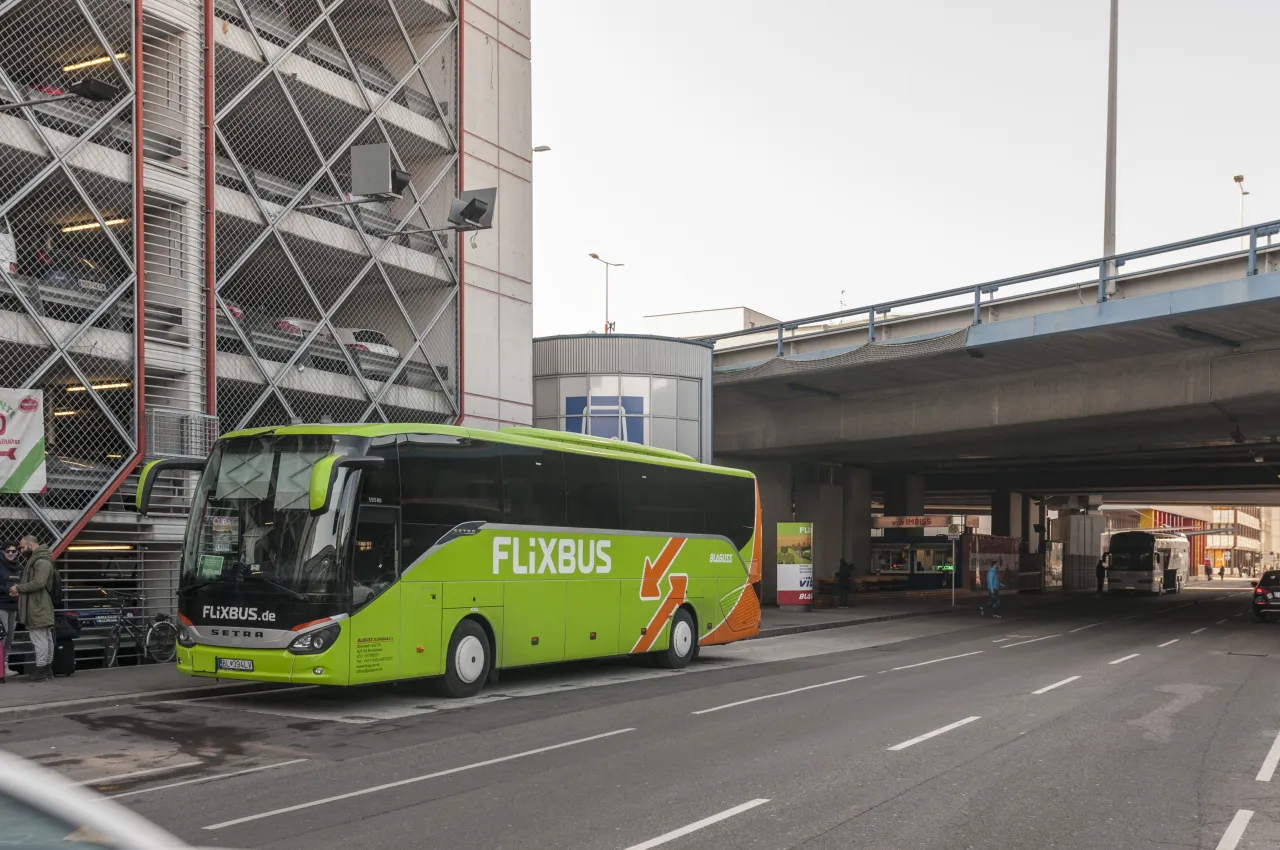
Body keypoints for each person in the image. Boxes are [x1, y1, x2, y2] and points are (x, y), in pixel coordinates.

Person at [10, 535, 54, 682]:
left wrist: (19, 588)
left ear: (31, 545)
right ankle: (47, 669)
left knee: (39, 637)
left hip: (38, 605)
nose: (20, 551)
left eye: (22, 547)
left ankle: (41, 670)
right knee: (45, 637)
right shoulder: (41, 559)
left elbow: (39, 583)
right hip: (41, 604)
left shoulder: (40, 560)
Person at [0, 543, 21, 676]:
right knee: (2, 637)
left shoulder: (18, 567)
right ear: (2, 552)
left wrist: (19, 591)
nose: (11, 553)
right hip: (1, 606)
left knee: (9, 638)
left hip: (14, 607)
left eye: (14, 551)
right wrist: (9, 590)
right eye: (8, 551)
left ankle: (4, 665)